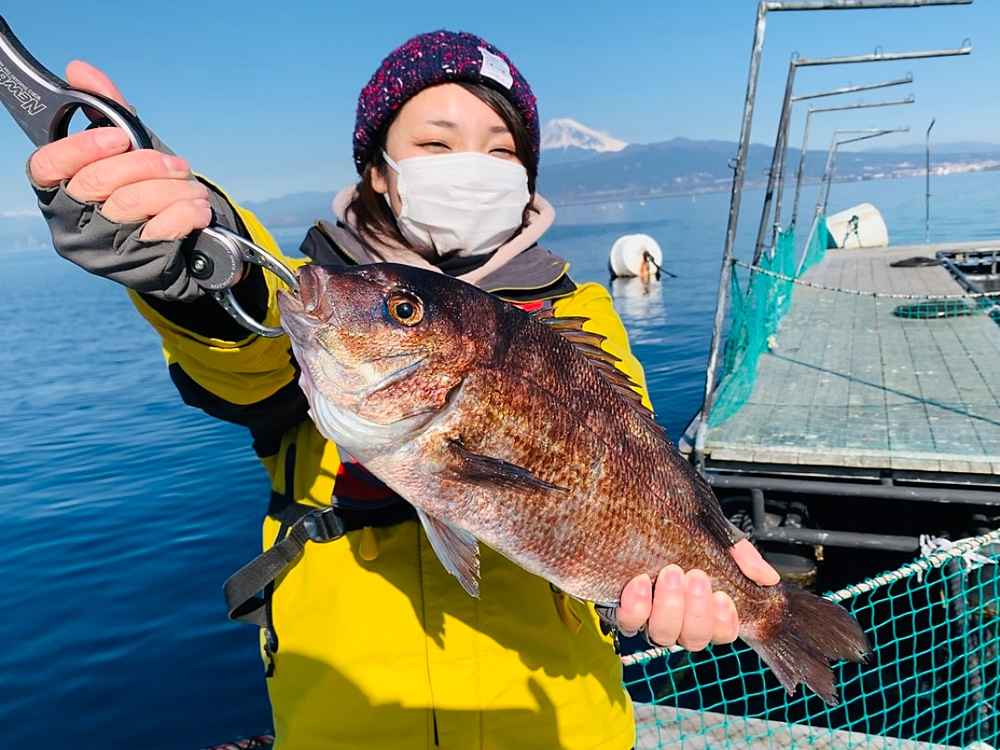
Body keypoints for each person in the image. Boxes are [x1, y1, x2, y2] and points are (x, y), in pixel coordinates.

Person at [27, 30, 779, 750]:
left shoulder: (579, 313)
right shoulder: (320, 312)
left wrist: (677, 588)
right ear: (378, 171)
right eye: (436, 144)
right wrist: (188, 258)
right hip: (344, 731)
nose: (471, 165)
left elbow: (638, 477)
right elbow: (247, 339)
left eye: (501, 149)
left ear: (526, 176)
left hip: (562, 728)